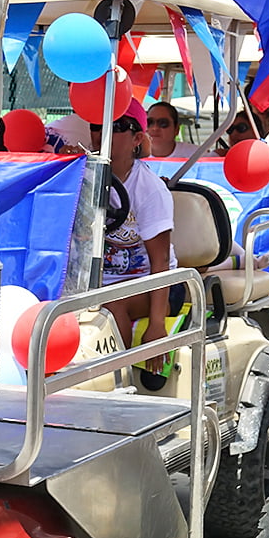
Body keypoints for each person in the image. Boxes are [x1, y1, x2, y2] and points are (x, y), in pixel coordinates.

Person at [92, 98, 177, 374]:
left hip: (151, 284)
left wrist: (157, 325)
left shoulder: (149, 189)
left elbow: (160, 262)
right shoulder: (82, 176)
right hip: (100, 282)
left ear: (137, 138)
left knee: (111, 305)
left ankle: (116, 382)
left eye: (116, 126)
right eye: (96, 125)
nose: (102, 133)